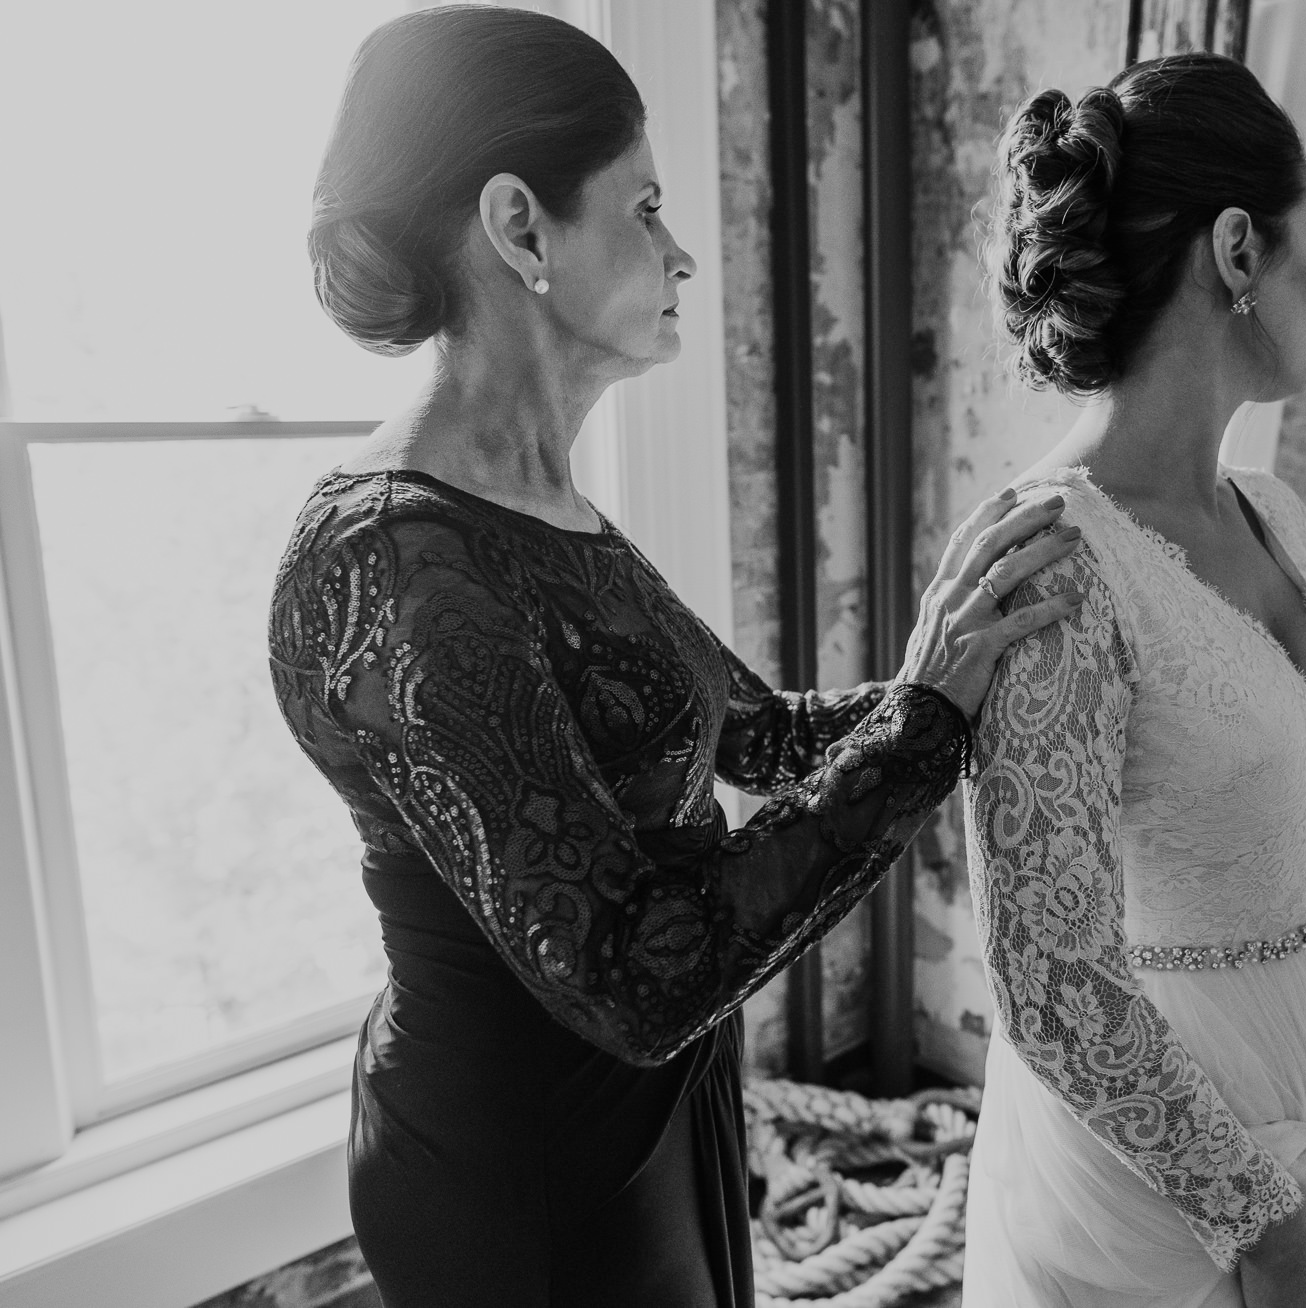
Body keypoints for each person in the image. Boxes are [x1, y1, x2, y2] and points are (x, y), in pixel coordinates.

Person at [267, 9, 1083, 1306]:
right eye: (644, 206)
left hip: (662, 1109)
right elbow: (643, 975)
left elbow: (757, 736)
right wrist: (927, 725)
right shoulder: (392, 566)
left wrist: (966, 661)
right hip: (525, 1176)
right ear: (520, 228)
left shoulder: (547, 508)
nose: (681, 251)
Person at [958, 54, 1306, 1308]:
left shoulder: (1277, 515)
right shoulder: (1052, 557)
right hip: (1159, 1160)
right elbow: (1050, 982)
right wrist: (1259, 1223)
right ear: (1236, 250)